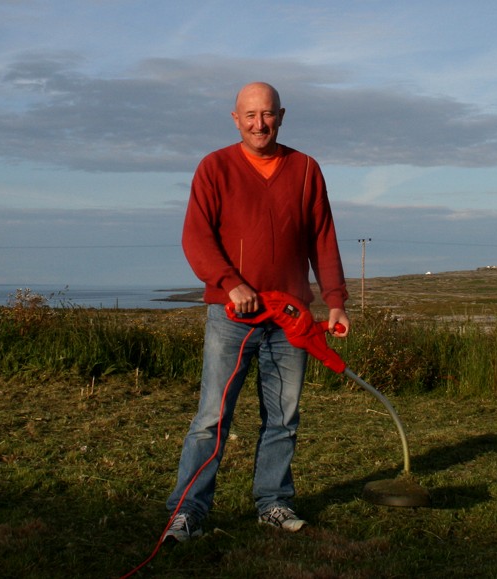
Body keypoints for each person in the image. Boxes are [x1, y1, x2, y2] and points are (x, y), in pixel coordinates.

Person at [164, 82, 350, 542]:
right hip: (232, 317)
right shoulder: (215, 167)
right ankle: (187, 511)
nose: (259, 124)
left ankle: (274, 503)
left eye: (267, 114)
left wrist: (336, 301)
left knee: (283, 418)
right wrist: (231, 283)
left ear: (281, 116)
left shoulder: (305, 169)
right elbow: (196, 237)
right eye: (250, 115)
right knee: (212, 418)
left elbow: (322, 237)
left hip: (291, 319)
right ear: (235, 119)